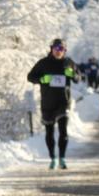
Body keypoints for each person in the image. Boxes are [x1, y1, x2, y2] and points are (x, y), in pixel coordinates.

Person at [27, 38, 77, 169]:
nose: (58, 51)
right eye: (56, 49)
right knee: (49, 132)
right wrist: (42, 79)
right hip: (48, 103)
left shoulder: (68, 62)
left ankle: (62, 158)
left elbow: (78, 78)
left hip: (63, 102)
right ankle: (52, 158)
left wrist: (72, 73)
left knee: (63, 131)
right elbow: (30, 77)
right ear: (51, 49)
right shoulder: (43, 63)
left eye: (61, 49)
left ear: (64, 50)